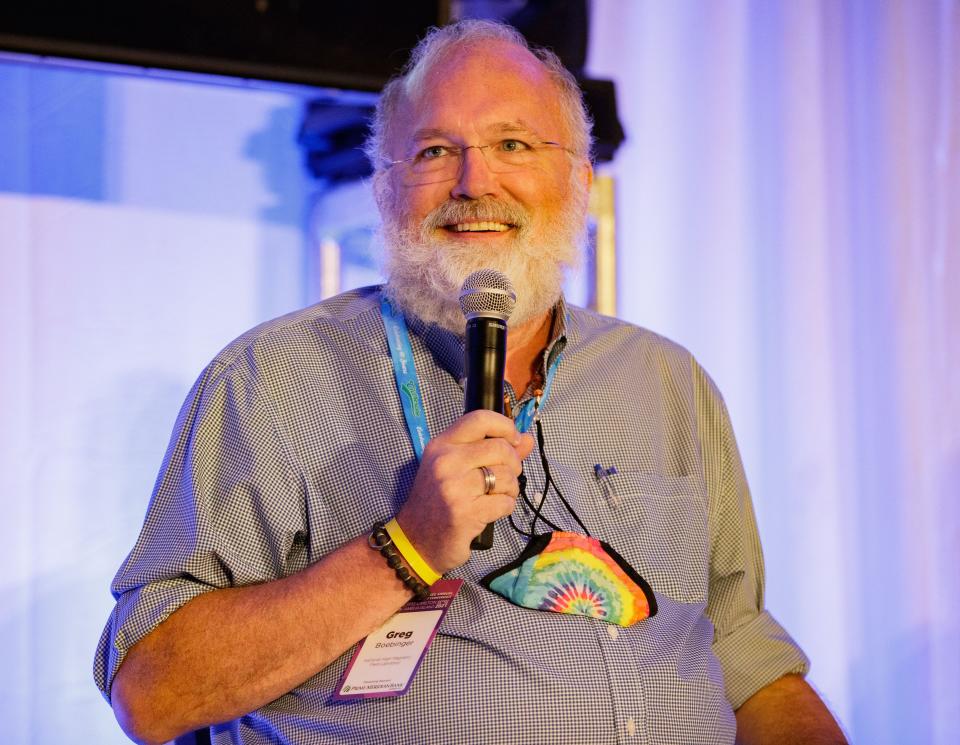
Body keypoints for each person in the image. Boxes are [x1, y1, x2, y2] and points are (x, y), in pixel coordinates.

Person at [95, 19, 847, 745]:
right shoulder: (270, 380)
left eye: (512, 144)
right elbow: (154, 691)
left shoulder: (667, 380)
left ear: (581, 178)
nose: (473, 181)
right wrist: (407, 546)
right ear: (383, 188)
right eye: (432, 151)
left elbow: (741, 648)